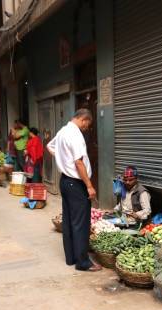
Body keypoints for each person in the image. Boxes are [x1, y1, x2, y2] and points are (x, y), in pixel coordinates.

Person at [47, 109, 101, 272]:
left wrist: (63, 159)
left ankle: (71, 257)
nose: (86, 128)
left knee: (69, 220)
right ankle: (83, 262)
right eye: (87, 125)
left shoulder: (63, 131)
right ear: (84, 120)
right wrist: (89, 186)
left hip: (65, 181)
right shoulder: (75, 134)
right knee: (80, 223)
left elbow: (50, 146)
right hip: (76, 183)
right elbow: (78, 163)